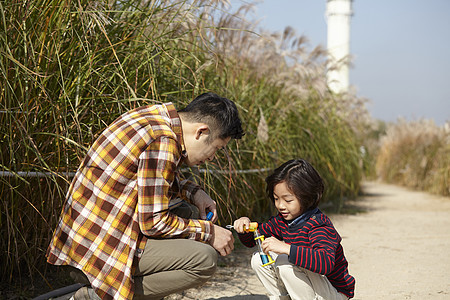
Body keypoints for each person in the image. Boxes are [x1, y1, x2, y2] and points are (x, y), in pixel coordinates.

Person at [46, 92, 244, 300]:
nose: (212, 157)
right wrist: (210, 232)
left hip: (79, 242)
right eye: (216, 148)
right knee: (204, 260)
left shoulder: (156, 118)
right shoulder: (163, 142)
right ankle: (93, 297)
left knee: (187, 211)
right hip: (96, 254)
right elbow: (153, 223)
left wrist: (195, 191)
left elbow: (151, 179)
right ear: (201, 132)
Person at [233, 159, 355, 300]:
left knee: (285, 262)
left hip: (333, 292)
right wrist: (245, 228)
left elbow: (325, 262)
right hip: (312, 286)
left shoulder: (319, 225)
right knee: (258, 259)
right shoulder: (283, 221)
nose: (280, 205)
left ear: (307, 196)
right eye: (276, 198)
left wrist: (287, 248)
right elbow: (254, 240)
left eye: (288, 200)